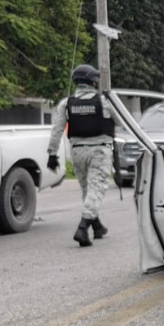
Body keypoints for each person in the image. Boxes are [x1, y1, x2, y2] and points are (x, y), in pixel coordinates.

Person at [47, 64, 116, 247]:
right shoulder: (104, 102)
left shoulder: (66, 103)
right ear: (93, 81)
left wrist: (52, 155)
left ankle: (97, 227)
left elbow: (56, 130)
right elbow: (119, 121)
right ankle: (83, 227)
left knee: (87, 189)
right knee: (96, 189)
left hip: (77, 151)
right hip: (99, 151)